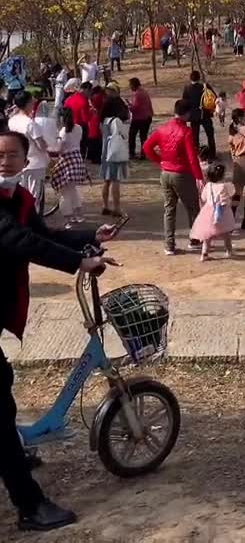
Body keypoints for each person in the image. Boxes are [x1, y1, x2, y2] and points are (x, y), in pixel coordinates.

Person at [0, 126, 117, 532]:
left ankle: (11, 452)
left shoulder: (21, 197)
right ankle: (30, 506)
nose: (4, 161)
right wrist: (77, 264)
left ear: (25, 159)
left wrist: (89, 238)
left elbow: (42, 234)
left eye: (11, 154)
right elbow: (18, 242)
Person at [143, 99, 203, 255]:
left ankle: (169, 244)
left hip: (166, 172)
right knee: (192, 207)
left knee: (169, 209)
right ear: (187, 114)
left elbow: (146, 147)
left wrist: (160, 161)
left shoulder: (162, 128)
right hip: (182, 173)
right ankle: (195, 239)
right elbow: (192, 157)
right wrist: (199, 176)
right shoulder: (186, 131)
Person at [8, 92, 50, 209]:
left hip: (20, 161)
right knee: (35, 196)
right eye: (32, 102)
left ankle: (23, 221)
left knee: (21, 194)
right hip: (35, 163)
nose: (33, 104)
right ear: (27, 104)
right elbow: (41, 144)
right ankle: (33, 221)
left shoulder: (12, 120)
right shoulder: (30, 124)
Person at [189, 161, 235, 260]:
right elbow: (225, 200)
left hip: (208, 212)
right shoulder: (224, 186)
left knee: (207, 235)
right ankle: (229, 251)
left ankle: (204, 254)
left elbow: (203, 197)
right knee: (226, 233)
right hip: (222, 213)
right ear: (222, 176)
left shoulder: (208, 185)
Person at [100, 93, 130, 218]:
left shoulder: (104, 121)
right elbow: (124, 135)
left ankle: (105, 205)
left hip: (106, 152)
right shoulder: (116, 121)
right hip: (115, 154)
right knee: (115, 181)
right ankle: (116, 208)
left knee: (106, 181)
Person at [56, 108, 86, 224]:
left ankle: (68, 218)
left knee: (64, 192)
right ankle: (78, 214)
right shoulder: (78, 128)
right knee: (73, 189)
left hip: (67, 162)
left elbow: (59, 149)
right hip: (78, 160)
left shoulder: (63, 132)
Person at [183, 70, 217, 158]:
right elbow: (214, 97)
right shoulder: (205, 86)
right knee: (210, 134)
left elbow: (184, 103)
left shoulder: (187, 88)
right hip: (205, 114)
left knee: (195, 136)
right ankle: (212, 154)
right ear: (199, 78)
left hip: (193, 116)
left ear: (190, 78)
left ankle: (196, 153)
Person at [62, 78, 91, 158]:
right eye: (89, 92)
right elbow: (85, 119)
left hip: (69, 125)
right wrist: (91, 113)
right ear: (86, 90)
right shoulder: (83, 101)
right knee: (82, 147)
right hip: (81, 127)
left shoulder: (70, 98)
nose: (89, 94)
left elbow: (64, 109)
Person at [128, 77, 154, 159]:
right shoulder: (144, 91)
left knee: (132, 135)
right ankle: (143, 153)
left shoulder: (137, 94)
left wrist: (128, 106)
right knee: (143, 136)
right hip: (147, 117)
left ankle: (132, 153)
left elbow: (135, 108)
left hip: (139, 118)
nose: (130, 87)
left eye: (130, 85)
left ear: (133, 85)